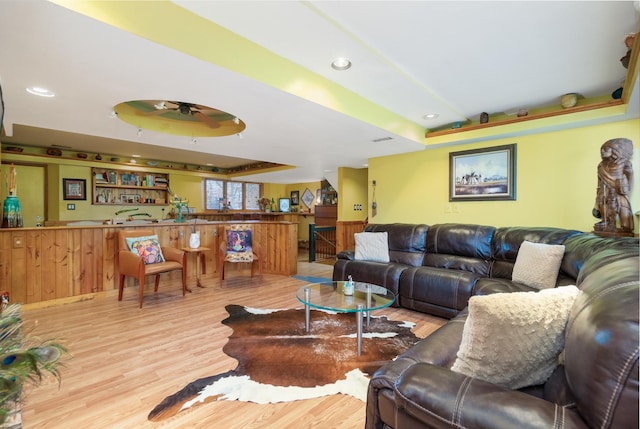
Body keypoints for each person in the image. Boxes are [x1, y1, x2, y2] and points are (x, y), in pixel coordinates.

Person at [593, 138, 635, 234]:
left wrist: (625, 188)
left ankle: (625, 227)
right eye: (601, 150)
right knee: (603, 205)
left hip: (619, 189)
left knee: (622, 207)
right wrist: (597, 197)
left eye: (606, 149)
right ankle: (606, 223)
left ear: (615, 150)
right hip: (604, 191)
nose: (603, 152)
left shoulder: (624, 163)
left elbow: (630, 178)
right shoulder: (601, 165)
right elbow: (599, 182)